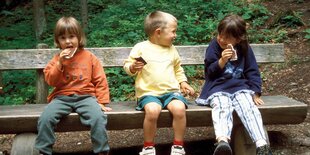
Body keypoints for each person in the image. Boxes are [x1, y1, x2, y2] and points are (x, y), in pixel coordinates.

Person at [195, 14, 272, 155]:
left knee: (248, 106)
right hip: (217, 87)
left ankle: (261, 144)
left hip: (239, 87)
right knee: (222, 105)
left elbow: (252, 70)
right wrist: (221, 61)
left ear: (238, 39)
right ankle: (222, 141)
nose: (221, 39)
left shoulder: (244, 48)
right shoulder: (213, 46)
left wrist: (255, 92)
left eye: (226, 38)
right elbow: (209, 73)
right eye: (220, 35)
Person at [35, 16, 111, 155]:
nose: (68, 41)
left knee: (98, 118)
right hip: (61, 98)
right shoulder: (56, 59)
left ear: (79, 38)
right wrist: (60, 64)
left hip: (86, 97)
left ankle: (102, 151)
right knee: (46, 118)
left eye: (72, 36)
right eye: (63, 38)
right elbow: (51, 81)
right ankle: (43, 150)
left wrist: (101, 101)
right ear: (58, 41)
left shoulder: (89, 57)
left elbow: (100, 80)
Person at [123, 11, 195, 155]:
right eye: (173, 31)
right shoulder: (141, 48)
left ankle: (178, 146)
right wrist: (132, 67)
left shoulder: (172, 49)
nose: (175, 35)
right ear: (158, 32)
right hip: (149, 93)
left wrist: (183, 82)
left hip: (171, 93)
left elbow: (177, 68)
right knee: (152, 111)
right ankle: (148, 147)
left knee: (179, 108)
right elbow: (128, 65)